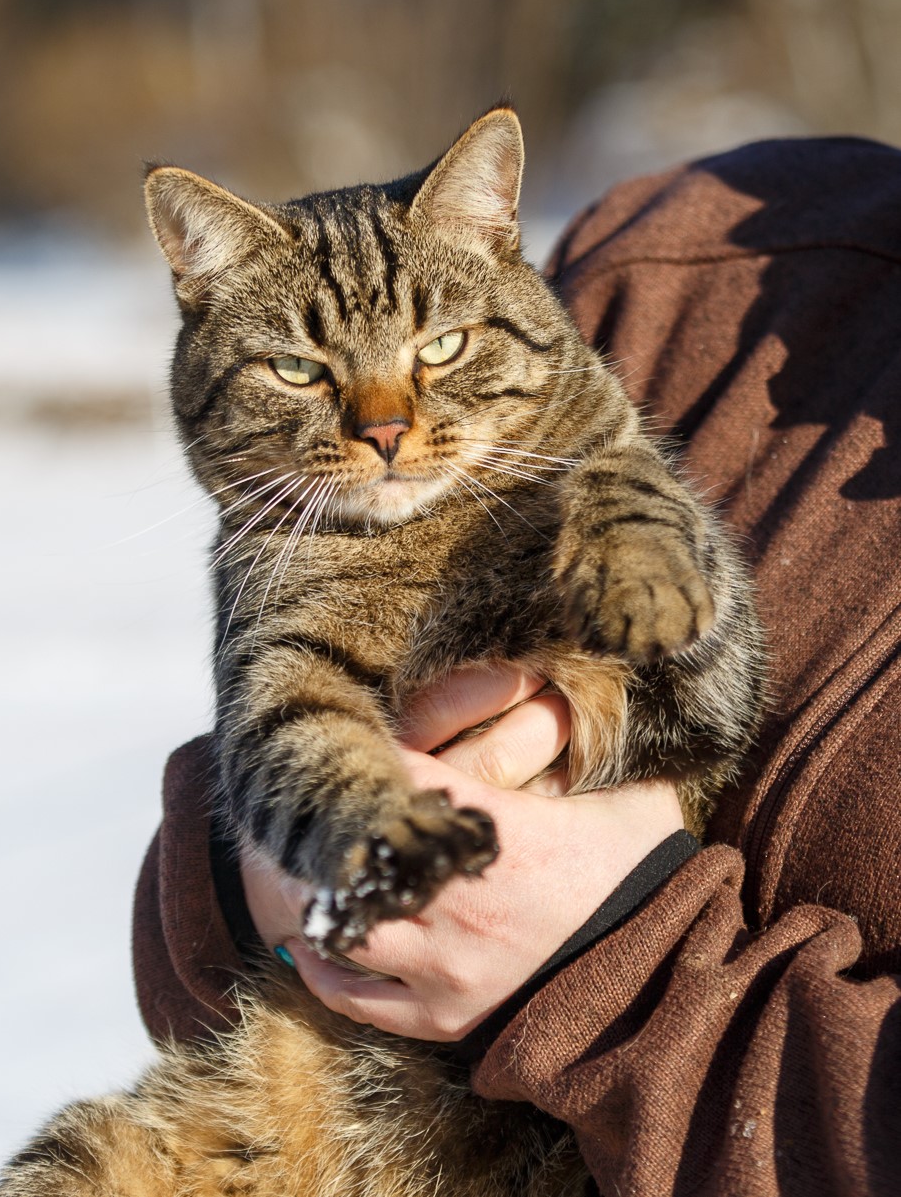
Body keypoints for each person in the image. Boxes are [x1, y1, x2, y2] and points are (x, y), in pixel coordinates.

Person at [132, 136, 901, 1195]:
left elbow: (701, 702)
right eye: (304, 371)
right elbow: (258, 777)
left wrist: (620, 964)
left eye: (435, 350)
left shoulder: (583, 458)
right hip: (310, 1105)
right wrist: (257, 881)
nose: (383, 422)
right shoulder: (677, 251)